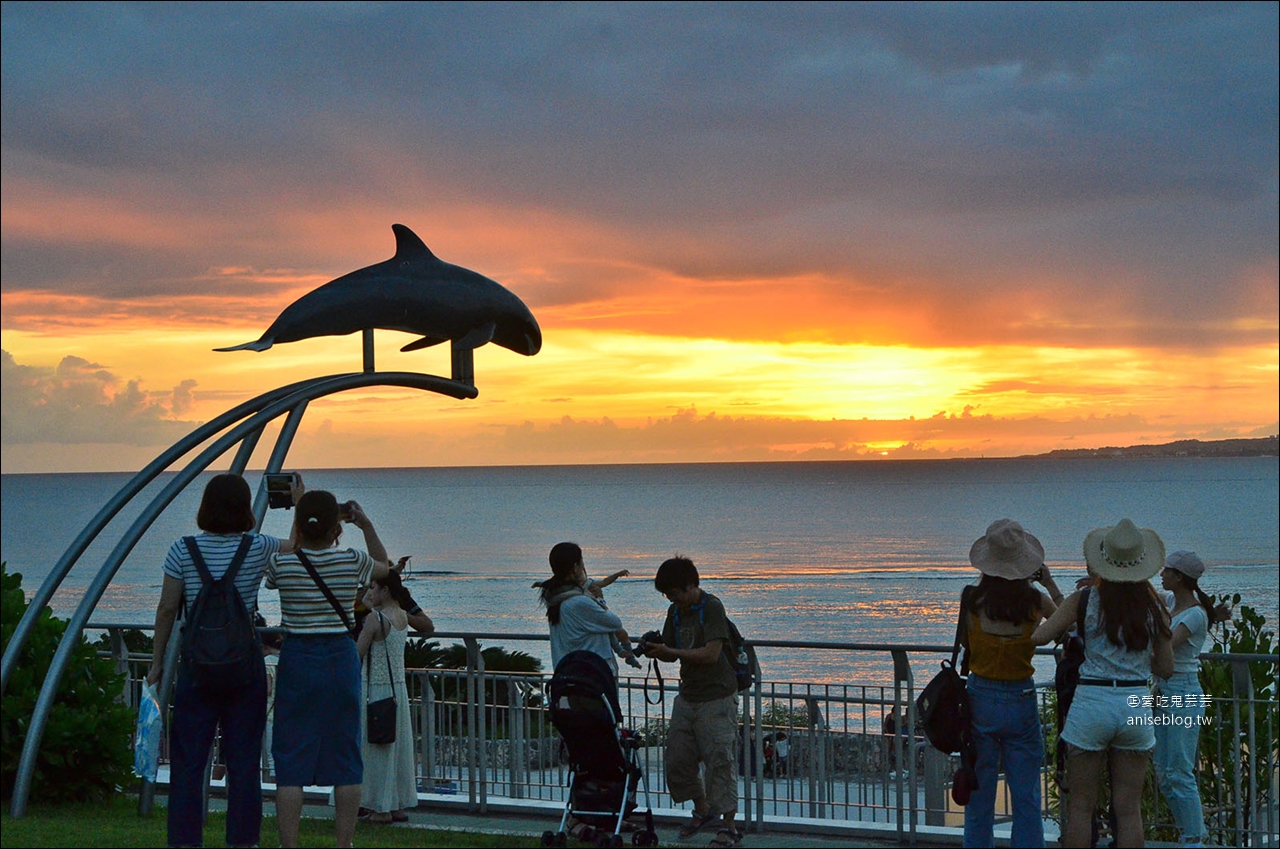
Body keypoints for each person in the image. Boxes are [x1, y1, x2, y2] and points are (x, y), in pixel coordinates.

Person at [146, 472, 298, 849]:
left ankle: (185, 841)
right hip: (244, 669)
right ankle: (243, 842)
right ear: (245, 507)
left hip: (196, 669)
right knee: (244, 765)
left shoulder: (182, 549)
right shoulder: (258, 546)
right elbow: (296, 547)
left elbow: (167, 610)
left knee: (187, 766)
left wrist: (157, 661)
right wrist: (297, 500)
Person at [1033, 519, 1173, 849]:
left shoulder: (1083, 600)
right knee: (1129, 810)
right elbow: (1165, 667)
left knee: (1081, 807)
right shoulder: (1155, 607)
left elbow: (1041, 636)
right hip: (1134, 702)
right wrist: (1137, 661)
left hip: (1092, 701)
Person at [265, 490, 391, 849]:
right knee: (345, 754)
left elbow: (287, 555)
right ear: (337, 528)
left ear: (301, 527)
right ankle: (344, 844)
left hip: (298, 657)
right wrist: (364, 524)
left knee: (290, 756)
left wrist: (299, 518)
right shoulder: (351, 560)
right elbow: (385, 567)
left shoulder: (282, 563)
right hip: (339, 655)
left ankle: (288, 844)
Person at [961, 519, 1062, 848]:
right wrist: (1048, 583)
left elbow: (966, 643)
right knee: (1026, 797)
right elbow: (1065, 627)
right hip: (1020, 696)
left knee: (980, 795)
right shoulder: (1035, 603)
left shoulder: (971, 599)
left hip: (980, 697)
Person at [643, 556, 742, 849]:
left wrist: (670, 649)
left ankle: (730, 828)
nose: (671, 599)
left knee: (720, 762)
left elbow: (712, 653)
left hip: (717, 697)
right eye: (667, 595)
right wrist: (655, 651)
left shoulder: (712, 607)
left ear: (690, 585)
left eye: (673, 593)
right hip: (688, 695)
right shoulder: (675, 611)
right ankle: (702, 810)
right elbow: (672, 653)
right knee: (677, 758)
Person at [1154, 551, 1215, 848]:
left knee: (1179, 769)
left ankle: (1194, 838)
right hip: (1165, 690)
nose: (1162, 575)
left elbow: (1166, 644)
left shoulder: (1194, 615)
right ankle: (1187, 833)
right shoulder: (1171, 604)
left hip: (1183, 691)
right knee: (1164, 773)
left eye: (1167, 571)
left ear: (1179, 577)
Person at [356, 570, 418, 825]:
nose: (369, 592)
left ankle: (379, 808)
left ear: (385, 590)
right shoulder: (402, 616)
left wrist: (367, 611)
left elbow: (358, 653)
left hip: (375, 689)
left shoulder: (375, 619)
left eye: (373, 587)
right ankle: (397, 804)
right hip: (397, 690)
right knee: (396, 747)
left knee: (374, 748)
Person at [536, 542, 634, 676]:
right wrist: (600, 599)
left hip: (568, 673)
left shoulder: (556, 599)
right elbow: (614, 622)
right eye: (582, 562)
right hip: (592, 676)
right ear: (575, 567)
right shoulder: (579, 602)